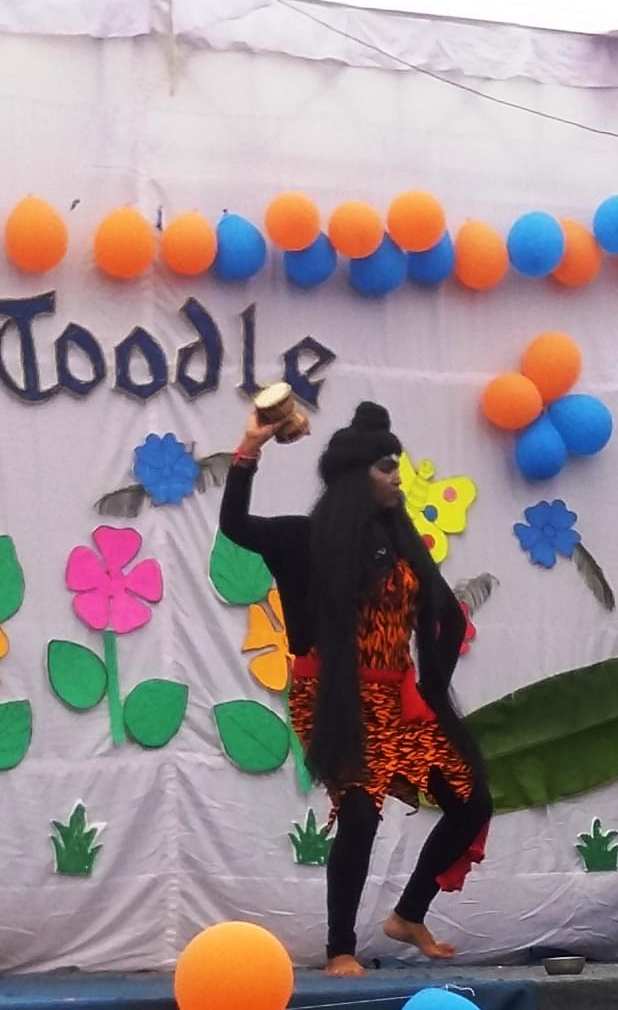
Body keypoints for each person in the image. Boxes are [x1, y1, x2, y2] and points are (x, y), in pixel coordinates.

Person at [220, 399, 492, 976]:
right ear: (354, 475)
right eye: (386, 468)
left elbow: (444, 615)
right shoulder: (305, 540)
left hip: (396, 698)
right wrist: (250, 449)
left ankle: (408, 915)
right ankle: (339, 949)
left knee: (470, 800)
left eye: (397, 467)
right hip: (332, 698)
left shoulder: (400, 542)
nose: (397, 478)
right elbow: (236, 526)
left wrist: (434, 680)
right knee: (362, 812)